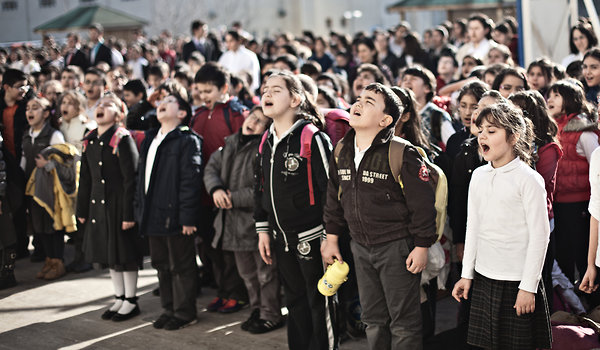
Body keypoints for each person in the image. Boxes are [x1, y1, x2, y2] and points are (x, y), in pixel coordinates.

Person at [322, 82, 437, 349]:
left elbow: (423, 205)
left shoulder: (402, 152)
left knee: (404, 322)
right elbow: (333, 198)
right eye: (359, 98)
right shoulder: (342, 149)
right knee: (373, 319)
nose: (358, 103)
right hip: (360, 247)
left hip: (396, 247)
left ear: (385, 120)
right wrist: (331, 239)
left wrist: (421, 246)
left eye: (369, 101)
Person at [452, 103, 552, 350]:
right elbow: (472, 226)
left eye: (492, 130)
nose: (482, 135)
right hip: (485, 276)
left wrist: (528, 287)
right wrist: (467, 274)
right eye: (481, 129)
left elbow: (541, 237)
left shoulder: (529, 180)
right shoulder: (478, 175)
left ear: (514, 136)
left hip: (517, 281)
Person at [254, 71, 334, 350]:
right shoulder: (266, 140)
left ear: (295, 99)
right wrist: (262, 229)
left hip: (312, 237)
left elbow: (331, 192)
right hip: (280, 238)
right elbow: (260, 189)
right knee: (295, 301)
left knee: (319, 301)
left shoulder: (312, 138)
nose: (267, 94)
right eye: (265, 90)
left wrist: (330, 236)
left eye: (276, 90)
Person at [203, 106, 284, 333]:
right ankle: (257, 309)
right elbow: (211, 168)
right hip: (232, 225)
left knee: (266, 273)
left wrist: (233, 198)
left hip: (254, 224)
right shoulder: (229, 143)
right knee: (247, 274)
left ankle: (271, 313)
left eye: (261, 122)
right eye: (252, 117)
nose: (253, 123)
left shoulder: (263, 148)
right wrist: (216, 189)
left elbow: (263, 188)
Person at [135, 93, 203, 330]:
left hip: (175, 216)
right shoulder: (150, 137)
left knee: (181, 266)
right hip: (153, 213)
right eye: (160, 101)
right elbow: (141, 178)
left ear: (182, 113)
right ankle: (169, 308)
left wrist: (187, 216)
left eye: (169, 101)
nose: (162, 104)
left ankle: (185, 312)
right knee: (161, 264)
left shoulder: (187, 140)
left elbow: (190, 180)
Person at [76, 94, 141, 321]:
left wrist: (129, 212)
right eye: (99, 105)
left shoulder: (122, 138)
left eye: (108, 105)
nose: (101, 108)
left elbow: (131, 179)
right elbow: (85, 178)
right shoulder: (90, 139)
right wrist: (81, 209)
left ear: (119, 113)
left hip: (119, 205)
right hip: (98, 205)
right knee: (110, 252)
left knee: (124, 253)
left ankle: (131, 300)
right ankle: (119, 297)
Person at [189, 62, 247, 306]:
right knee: (211, 245)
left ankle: (236, 294)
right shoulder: (198, 115)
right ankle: (221, 290)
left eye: (208, 91)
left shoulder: (236, 114)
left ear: (224, 88)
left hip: (228, 192)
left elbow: (245, 152)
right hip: (203, 191)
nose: (204, 97)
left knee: (229, 247)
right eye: (200, 92)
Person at [509, 90, 562, 312]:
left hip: (541, 219)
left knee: (541, 277)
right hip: (512, 220)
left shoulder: (548, 148)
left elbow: (538, 181)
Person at [548, 80, 600, 283]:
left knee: (581, 252)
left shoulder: (584, 130)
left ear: (569, 100)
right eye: (549, 95)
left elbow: (594, 165)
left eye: (556, 95)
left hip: (582, 205)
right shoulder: (554, 127)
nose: (550, 99)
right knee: (564, 256)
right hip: (560, 202)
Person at [21, 97, 66, 280]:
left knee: (52, 225)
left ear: (46, 113)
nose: (30, 112)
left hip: (50, 188)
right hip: (33, 189)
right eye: (28, 108)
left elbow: (64, 164)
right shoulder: (26, 134)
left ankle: (58, 261)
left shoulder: (54, 135)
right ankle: (49, 260)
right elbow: (23, 162)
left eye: (36, 108)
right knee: (39, 225)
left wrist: (47, 165)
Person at [400, 66, 455, 149]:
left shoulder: (438, 116)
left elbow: (453, 147)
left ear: (427, 88)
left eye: (413, 79)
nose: (407, 82)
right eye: (404, 79)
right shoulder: (398, 114)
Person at [445, 81, 488, 161]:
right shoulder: (454, 140)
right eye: (463, 106)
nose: (467, 112)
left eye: (474, 107)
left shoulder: (491, 139)